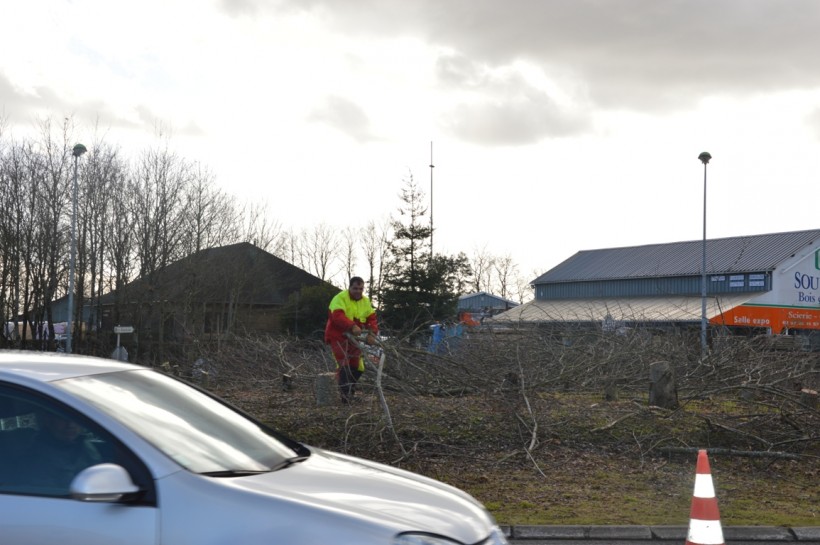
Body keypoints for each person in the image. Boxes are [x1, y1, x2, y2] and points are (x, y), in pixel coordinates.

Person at [324, 276, 379, 404]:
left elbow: (372, 319)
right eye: (355, 288)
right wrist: (352, 326)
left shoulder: (365, 301)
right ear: (349, 287)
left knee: (358, 367)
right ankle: (345, 398)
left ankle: (350, 392)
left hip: (354, 339)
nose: (358, 291)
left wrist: (372, 333)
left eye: (361, 288)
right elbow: (336, 316)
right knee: (344, 365)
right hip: (337, 337)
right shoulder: (340, 298)